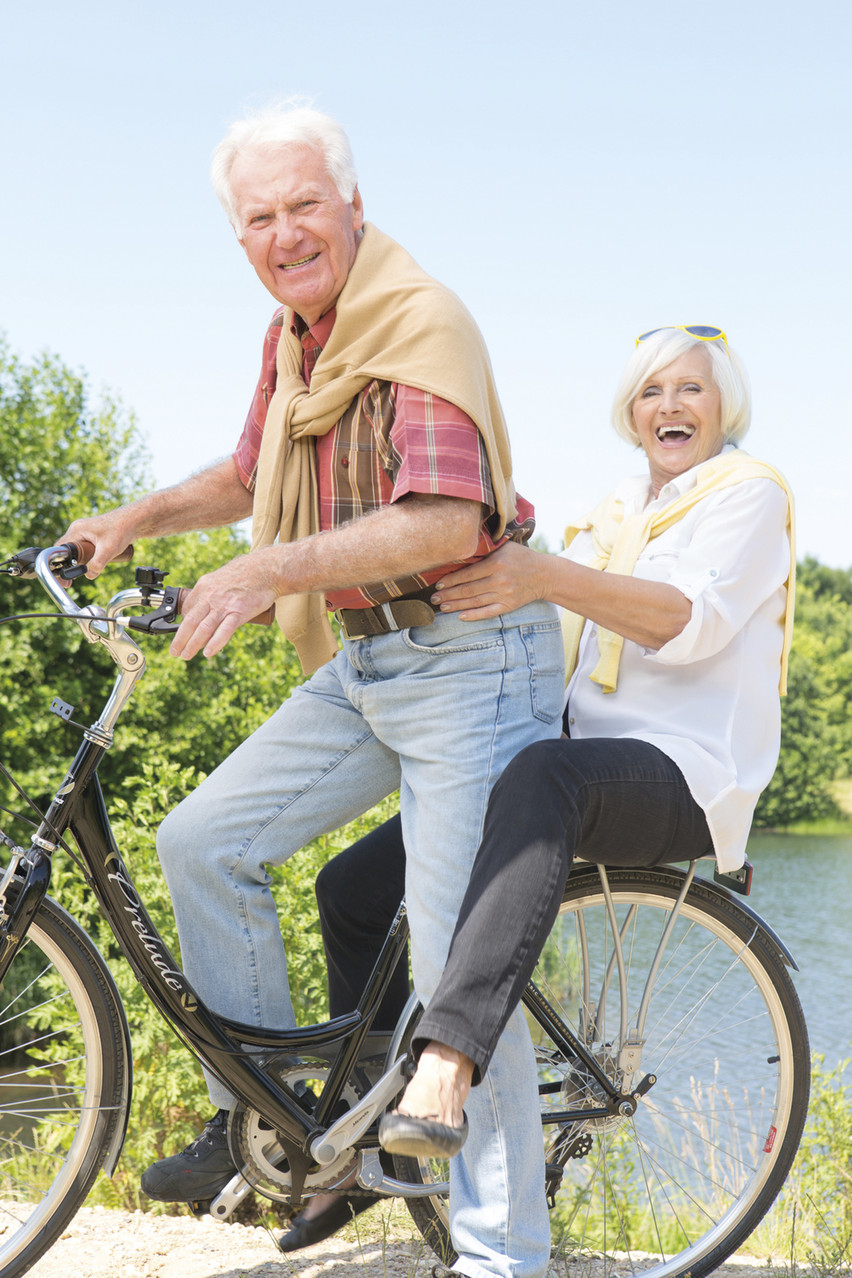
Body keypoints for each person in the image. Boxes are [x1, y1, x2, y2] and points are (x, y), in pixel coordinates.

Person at [61, 106, 564, 1277]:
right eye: (259, 217)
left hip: (473, 661)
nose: (286, 231)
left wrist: (267, 566)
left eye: (303, 205)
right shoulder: (295, 339)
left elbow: (446, 518)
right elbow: (252, 473)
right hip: (374, 658)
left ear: (351, 207)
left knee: (453, 985)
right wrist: (139, 518)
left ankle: (504, 1260)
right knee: (202, 842)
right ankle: (287, 1129)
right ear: (238, 238)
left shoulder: (415, 319)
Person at [312, 323, 796, 1165]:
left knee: (543, 775)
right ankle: (364, 1143)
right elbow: (534, 604)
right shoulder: (617, 513)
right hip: (567, 762)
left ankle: (448, 1059)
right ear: (630, 412)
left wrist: (544, 574)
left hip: (682, 773)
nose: (669, 405)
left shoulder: (747, 495)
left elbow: (683, 621)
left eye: (690, 389)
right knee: (353, 889)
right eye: (651, 391)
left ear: (726, 406)